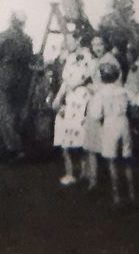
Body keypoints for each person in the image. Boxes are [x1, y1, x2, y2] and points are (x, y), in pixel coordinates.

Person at [0, 12, 34, 157]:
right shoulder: (27, 39)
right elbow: (29, 59)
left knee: (4, 112)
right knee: (18, 110)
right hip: (22, 78)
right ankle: (17, 143)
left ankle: (12, 146)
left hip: (3, 76)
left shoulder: (2, 37)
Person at [89, 62, 138, 206]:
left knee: (112, 161)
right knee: (127, 160)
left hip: (110, 124)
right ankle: (132, 194)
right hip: (124, 122)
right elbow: (136, 101)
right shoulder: (123, 90)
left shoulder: (100, 94)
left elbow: (96, 115)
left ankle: (116, 196)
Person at [52, 33, 93, 185]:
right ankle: (70, 173)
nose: (68, 45)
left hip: (82, 98)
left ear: (78, 40)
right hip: (70, 99)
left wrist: (75, 86)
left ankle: (85, 172)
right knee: (67, 136)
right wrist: (58, 97)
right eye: (66, 42)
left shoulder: (87, 57)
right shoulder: (69, 59)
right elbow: (65, 82)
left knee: (82, 136)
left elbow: (83, 79)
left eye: (70, 41)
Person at [83, 35, 120, 190]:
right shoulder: (95, 61)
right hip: (95, 104)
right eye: (94, 44)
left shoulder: (110, 60)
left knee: (108, 146)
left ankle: (112, 185)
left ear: (105, 45)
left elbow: (116, 84)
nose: (97, 47)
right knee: (92, 144)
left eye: (100, 44)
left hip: (107, 105)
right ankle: (93, 181)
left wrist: (97, 88)